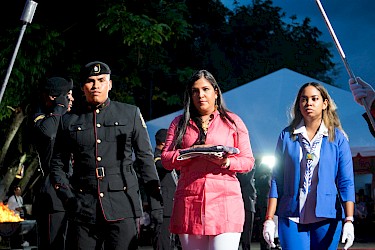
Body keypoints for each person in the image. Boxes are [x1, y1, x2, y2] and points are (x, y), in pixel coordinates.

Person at [49, 61, 163, 250]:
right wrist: (68, 197)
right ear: (82, 87)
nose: (96, 86)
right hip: (82, 208)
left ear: (109, 84)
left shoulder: (130, 114)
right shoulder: (68, 120)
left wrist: (156, 204)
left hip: (123, 205)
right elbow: (57, 165)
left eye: (101, 80)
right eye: (90, 81)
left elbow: (145, 160)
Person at [161, 69, 255, 250]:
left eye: (205, 89)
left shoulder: (233, 121)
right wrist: (191, 152)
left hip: (225, 202)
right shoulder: (179, 123)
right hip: (190, 202)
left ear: (216, 92)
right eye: (195, 91)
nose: (200, 95)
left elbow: (248, 161)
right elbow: (166, 159)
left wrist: (226, 162)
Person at [263, 82, 355, 250]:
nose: (309, 103)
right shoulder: (286, 136)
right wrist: (269, 218)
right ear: (299, 104)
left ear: (325, 103)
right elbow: (277, 179)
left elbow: (346, 181)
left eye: (314, 99)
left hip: (327, 216)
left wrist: (349, 219)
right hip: (291, 215)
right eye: (304, 99)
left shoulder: (338, 138)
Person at [29, 76, 74, 250]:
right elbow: (47, 133)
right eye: (67, 95)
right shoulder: (40, 118)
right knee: (54, 244)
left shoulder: (66, 119)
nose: (71, 99)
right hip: (52, 194)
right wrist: (60, 107)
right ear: (53, 97)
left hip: (73, 190)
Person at [152, 128, 180, 250]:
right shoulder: (157, 158)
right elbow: (162, 166)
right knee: (163, 241)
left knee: (172, 241)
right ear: (163, 143)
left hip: (172, 206)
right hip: (164, 207)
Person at [237, 168, 256, 250]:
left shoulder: (249, 163)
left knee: (246, 232)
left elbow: (245, 179)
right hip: (233, 201)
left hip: (247, 200)